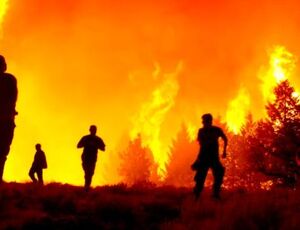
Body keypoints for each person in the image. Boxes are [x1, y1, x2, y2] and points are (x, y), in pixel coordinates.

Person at [191, 113, 227, 199]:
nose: (203, 122)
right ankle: (197, 196)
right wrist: (197, 160)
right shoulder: (203, 131)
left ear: (209, 121)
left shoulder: (215, 130)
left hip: (212, 158)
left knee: (219, 174)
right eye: (203, 121)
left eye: (204, 121)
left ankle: (215, 194)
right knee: (200, 178)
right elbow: (202, 147)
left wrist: (224, 151)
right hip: (205, 159)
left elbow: (225, 139)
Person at [0, 55, 18, 184]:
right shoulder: (10, 79)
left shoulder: (10, 80)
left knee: (2, 152)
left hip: (6, 120)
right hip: (6, 120)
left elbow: (12, 98)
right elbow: (13, 98)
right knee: (2, 153)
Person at [77, 125, 105, 191]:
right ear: (90, 130)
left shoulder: (98, 139)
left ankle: (87, 186)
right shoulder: (85, 138)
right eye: (92, 130)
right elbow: (78, 146)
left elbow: (103, 148)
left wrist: (96, 145)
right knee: (87, 172)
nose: (93, 131)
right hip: (86, 158)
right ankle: (87, 186)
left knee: (90, 173)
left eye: (94, 130)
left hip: (92, 159)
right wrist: (86, 144)